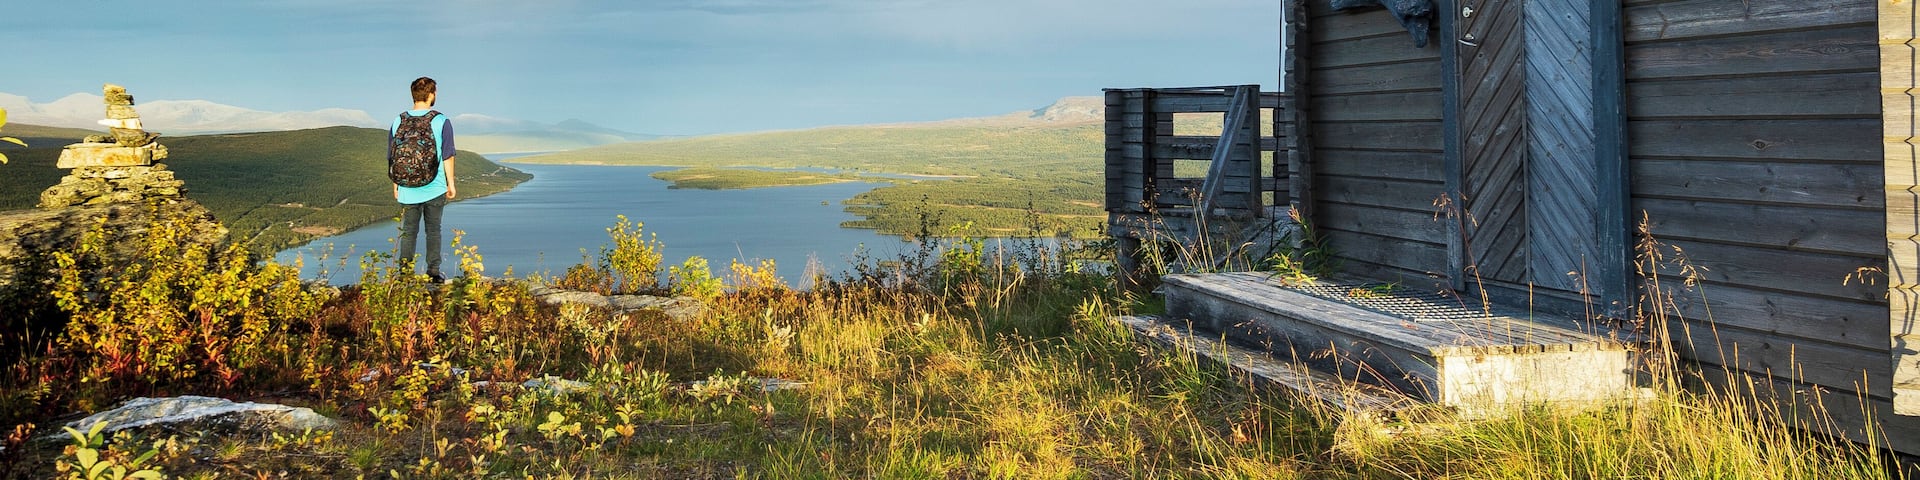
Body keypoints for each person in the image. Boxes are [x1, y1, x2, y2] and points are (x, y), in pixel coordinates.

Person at [390, 76, 456, 283]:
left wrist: (396, 184)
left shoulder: (398, 120)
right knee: (433, 230)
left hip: (406, 187)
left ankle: (405, 274)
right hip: (434, 186)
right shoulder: (441, 120)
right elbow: (447, 154)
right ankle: (434, 272)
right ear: (430, 94)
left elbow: (392, 155)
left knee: (409, 231)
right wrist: (450, 183)